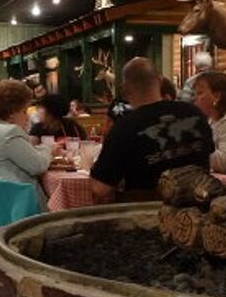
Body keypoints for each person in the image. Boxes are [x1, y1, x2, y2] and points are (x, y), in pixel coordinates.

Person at [90, 57, 214, 203]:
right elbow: (208, 158)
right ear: (160, 81)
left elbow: (101, 189)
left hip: (147, 217)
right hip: (200, 211)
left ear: (124, 89)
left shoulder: (125, 127)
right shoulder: (194, 113)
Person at [0, 80, 53, 207]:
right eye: (24, 111)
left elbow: (29, 154)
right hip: (11, 205)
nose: (27, 117)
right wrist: (48, 149)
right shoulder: (9, 132)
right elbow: (38, 165)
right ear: (12, 112)